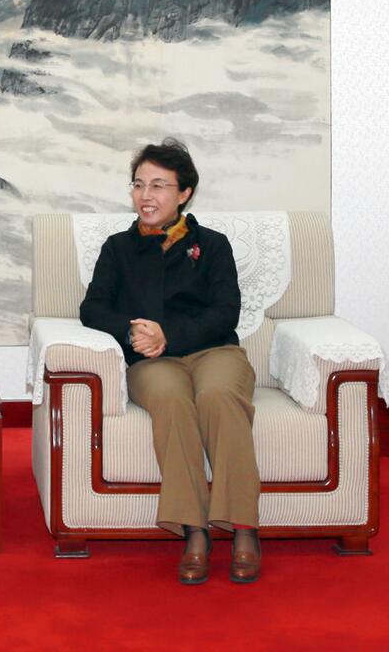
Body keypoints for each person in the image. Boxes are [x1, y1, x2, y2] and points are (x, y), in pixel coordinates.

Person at [79, 138, 260, 585]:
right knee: (173, 402)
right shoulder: (118, 248)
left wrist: (170, 334)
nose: (146, 195)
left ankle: (243, 529)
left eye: (159, 185)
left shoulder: (212, 245)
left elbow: (226, 312)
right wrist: (131, 331)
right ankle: (195, 531)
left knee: (218, 396)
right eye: (139, 184)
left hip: (214, 351)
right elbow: (92, 308)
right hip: (151, 363)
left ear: (184, 193)